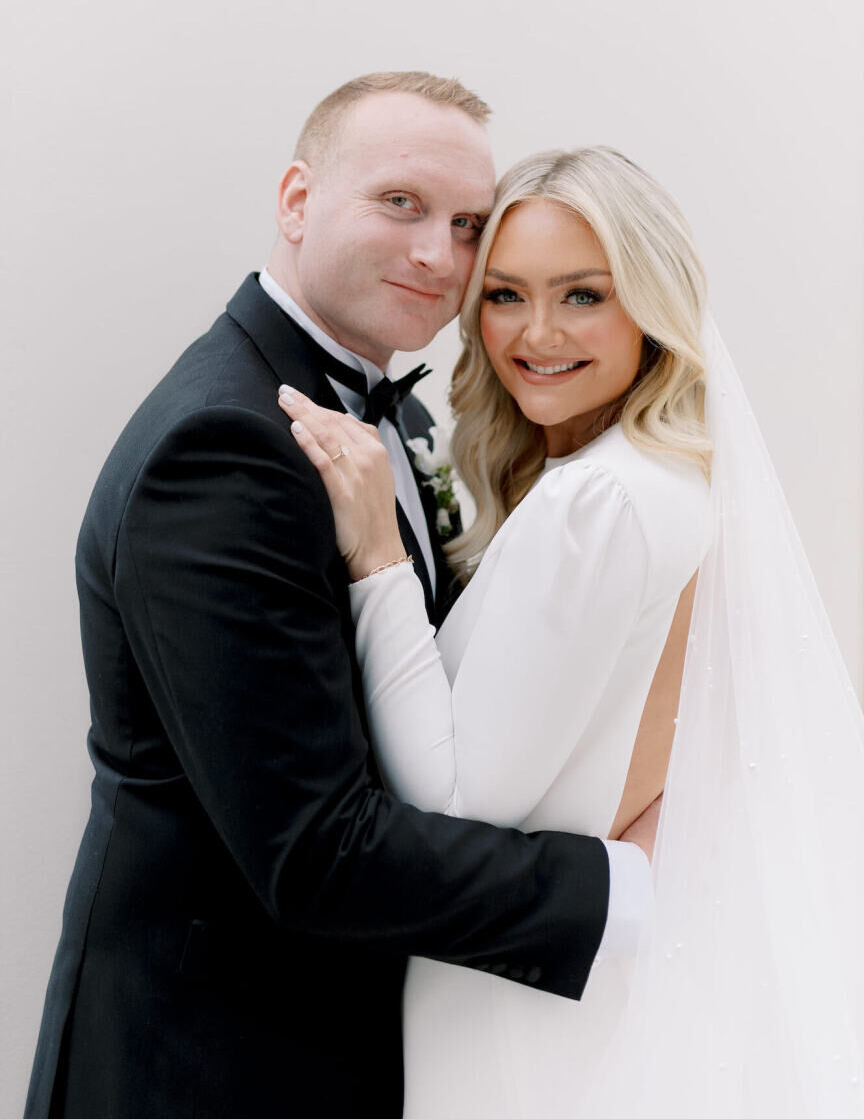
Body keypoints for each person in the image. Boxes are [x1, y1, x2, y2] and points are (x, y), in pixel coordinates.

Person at [24, 76, 657, 1119]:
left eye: (465, 227)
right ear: (296, 199)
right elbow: (315, 851)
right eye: (400, 204)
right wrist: (618, 887)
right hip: (208, 1067)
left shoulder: (385, 421)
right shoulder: (226, 444)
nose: (436, 258)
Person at [279, 146, 864, 1117]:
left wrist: (378, 554)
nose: (535, 333)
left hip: (522, 1014)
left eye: (583, 296)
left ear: (651, 304)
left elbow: (458, 799)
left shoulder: (598, 500)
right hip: (577, 983)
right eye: (504, 295)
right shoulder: (663, 475)